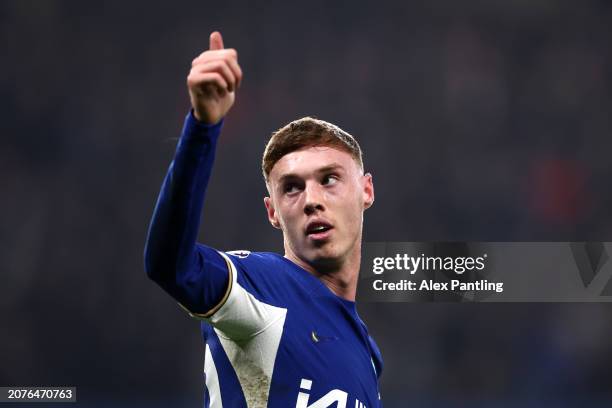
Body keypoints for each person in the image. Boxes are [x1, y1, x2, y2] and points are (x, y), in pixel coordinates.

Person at [144, 31, 383, 408]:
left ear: (366, 190)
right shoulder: (262, 289)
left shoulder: (368, 355)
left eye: (329, 179)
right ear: (272, 211)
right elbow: (171, 266)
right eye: (291, 188)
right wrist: (202, 127)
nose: (311, 201)